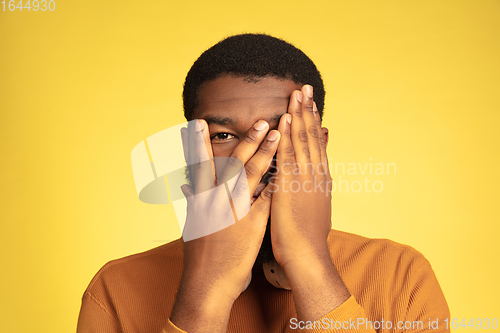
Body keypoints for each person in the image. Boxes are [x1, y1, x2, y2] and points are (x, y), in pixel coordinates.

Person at [77, 34, 450, 333]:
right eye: (223, 136)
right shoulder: (115, 288)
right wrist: (206, 294)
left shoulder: (400, 274)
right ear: (191, 154)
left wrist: (308, 259)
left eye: (278, 133)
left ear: (317, 147)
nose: (253, 161)